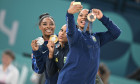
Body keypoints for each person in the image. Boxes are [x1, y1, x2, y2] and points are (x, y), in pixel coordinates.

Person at [57, 1, 121, 84]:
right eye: (81, 15)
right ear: (77, 19)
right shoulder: (75, 35)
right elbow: (70, 30)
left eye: (87, 15)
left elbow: (116, 33)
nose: (83, 17)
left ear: (92, 18)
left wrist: (102, 18)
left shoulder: (97, 38)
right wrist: (69, 14)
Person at [31, 13, 58, 84]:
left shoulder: (61, 40)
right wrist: (36, 52)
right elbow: (39, 70)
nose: (48, 26)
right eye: (45, 24)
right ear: (40, 27)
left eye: (51, 24)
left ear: (55, 26)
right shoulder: (37, 46)